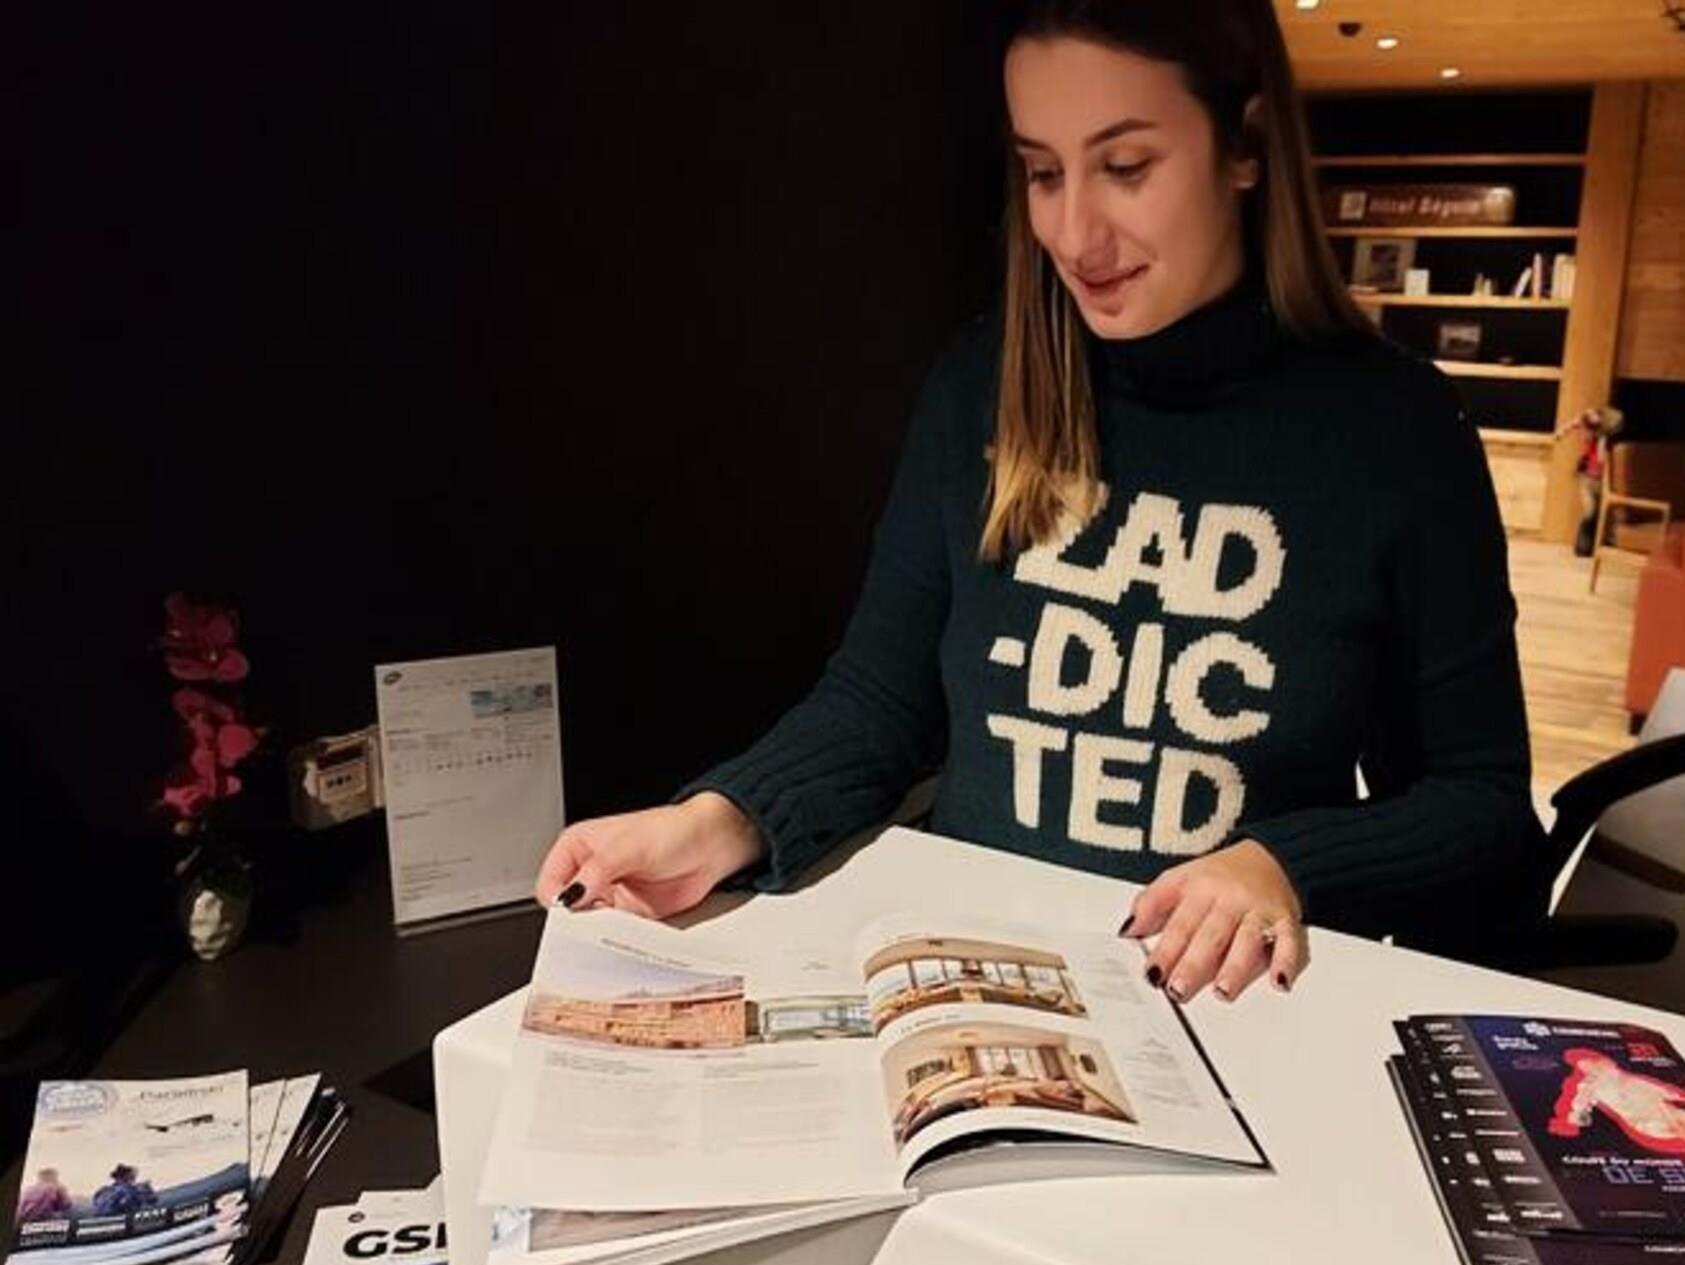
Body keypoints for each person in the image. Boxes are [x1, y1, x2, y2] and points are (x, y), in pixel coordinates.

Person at [537, 0, 1543, 1003]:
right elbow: (878, 705)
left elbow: (1482, 806)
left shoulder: (1394, 431)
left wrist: (1283, 865)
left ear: (1244, 147)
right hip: (964, 986)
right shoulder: (978, 385)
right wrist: (715, 821)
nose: (1073, 233)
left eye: (1126, 167)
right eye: (1042, 172)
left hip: (1220, 1017)